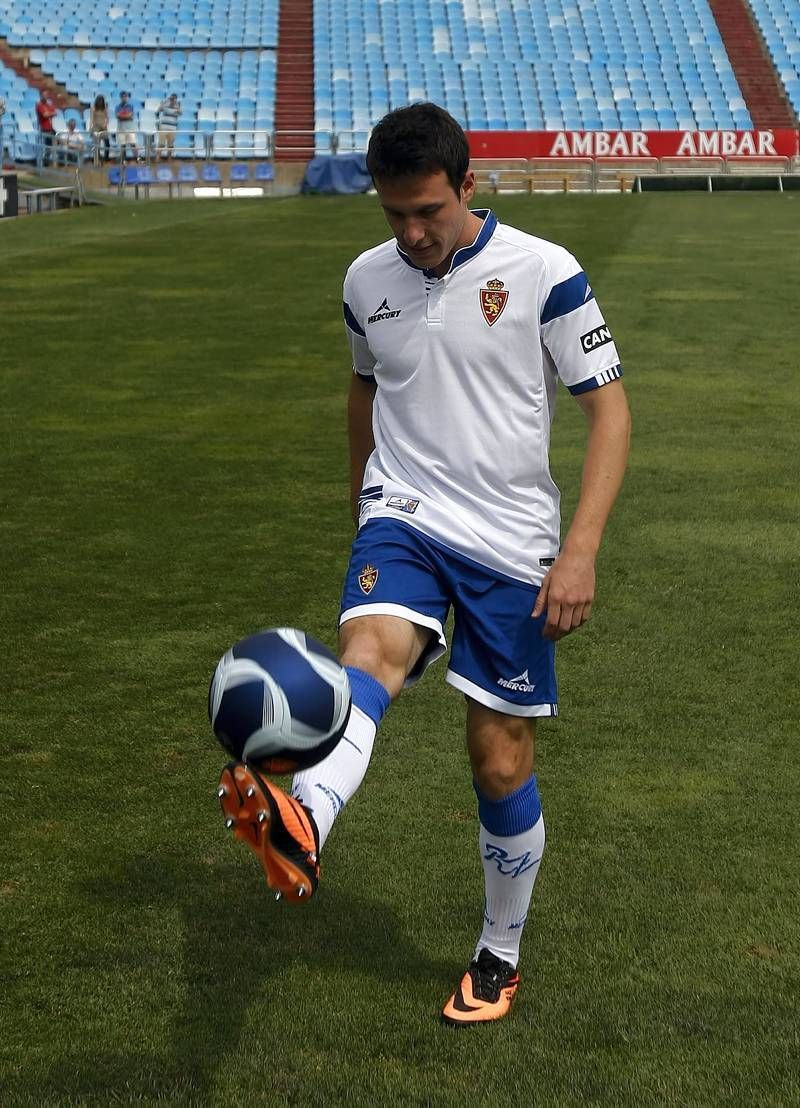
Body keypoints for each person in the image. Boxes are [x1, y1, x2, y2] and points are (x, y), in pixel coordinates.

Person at [218, 103, 631, 1025]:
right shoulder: (368, 279)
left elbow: (611, 411)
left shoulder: (544, 272)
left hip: (514, 545)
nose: (411, 234)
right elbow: (366, 385)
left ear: (468, 187)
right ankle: (305, 818)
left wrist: (581, 553)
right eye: (394, 214)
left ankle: (500, 950)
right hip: (403, 514)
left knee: (497, 760)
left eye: (428, 214)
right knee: (367, 652)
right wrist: (364, 500)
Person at [35, 89, 57, 167]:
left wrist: (49, 113)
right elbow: (45, 115)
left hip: (51, 128)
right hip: (44, 128)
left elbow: (55, 112)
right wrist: (50, 113)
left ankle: (49, 162)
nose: (46, 97)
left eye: (47, 95)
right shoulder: (39, 105)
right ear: (41, 96)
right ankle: (44, 162)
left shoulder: (48, 105)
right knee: (46, 146)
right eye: (44, 95)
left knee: (51, 146)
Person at [156, 93, 181, 159]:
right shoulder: (165, 105)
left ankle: (169, 158)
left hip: (173, 127)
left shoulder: (177, 106)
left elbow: (180, 113)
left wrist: (177, 106)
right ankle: (157, 158)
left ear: (176, 99)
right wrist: (163, 104)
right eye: (171, 98)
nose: (172, 100)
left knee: (170, 144)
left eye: (174, 99)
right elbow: (157, 111)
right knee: (161, 143)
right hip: (163, 126)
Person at [114, 91, 137, 161]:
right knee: (122, 145)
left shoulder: (131, 106)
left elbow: (131, 116)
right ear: (121, 98)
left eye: (126, 97)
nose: (125, 98)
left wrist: (122, 116)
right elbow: (117, 116)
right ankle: (124, 159)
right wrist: (126, 116)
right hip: (121, 129)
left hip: (130, 128)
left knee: (133, 144)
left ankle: (137, 158)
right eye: (123, 97)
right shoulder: (117, 107)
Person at [89, 95, 110, 163]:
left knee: (107, 143)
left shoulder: (105, 108)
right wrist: (90, 127)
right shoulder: (93, 108)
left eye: (101, 101)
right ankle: (97, 158)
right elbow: (91, 119)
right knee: (97, 144)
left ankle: (106, 158)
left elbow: (107, 118)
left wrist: (105, 124)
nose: (100, 102)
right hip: (96, 127)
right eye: (99, 101)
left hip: (103, 127)